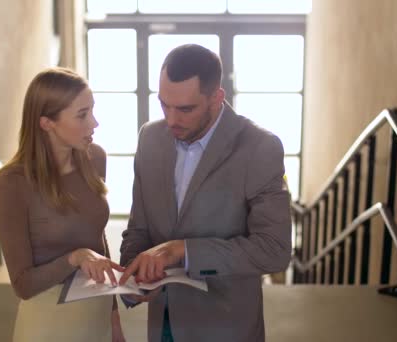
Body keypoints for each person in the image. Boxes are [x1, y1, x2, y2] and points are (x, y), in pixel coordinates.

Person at [118, 44, 292, 342]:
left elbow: (274, 251)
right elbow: (139, 228)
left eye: (185, 109)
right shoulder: (149, 138)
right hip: (162, 325)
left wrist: (183, 250)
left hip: (225, 328)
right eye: (164, 105)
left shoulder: (260, 148)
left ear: (216, 98)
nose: (171, 119)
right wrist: (134, 278)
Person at [0, 67, 126, 342]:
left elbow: (97, 241)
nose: (94, 123)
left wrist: (113, 318)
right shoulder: (12, 184)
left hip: (96, 315)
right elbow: (23, 285)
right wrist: (75, 258)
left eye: (92, 110)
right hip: (48, 324)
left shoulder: (94, 158)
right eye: (82, 115)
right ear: (46, 123)